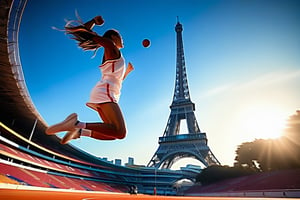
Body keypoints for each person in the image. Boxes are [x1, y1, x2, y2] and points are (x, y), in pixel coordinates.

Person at [46, 15, 134, 144]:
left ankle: (79, 131)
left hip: (107, 92)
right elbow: (85, 33)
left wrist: (126, 72)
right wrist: (92, 21)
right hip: (105, 92)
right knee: (120, 132)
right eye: (120, 37)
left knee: (113, 134)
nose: (123, 40)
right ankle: (76, 124)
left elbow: (116, 79)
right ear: (113, 37)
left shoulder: (113, 52)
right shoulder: (110, 46)